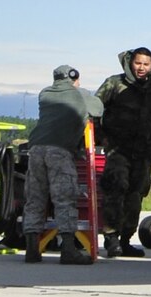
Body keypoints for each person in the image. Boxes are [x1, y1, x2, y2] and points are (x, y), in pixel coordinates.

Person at [23, 65, 101, 265]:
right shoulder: (79, 94)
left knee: (35, 198)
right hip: (59, 150)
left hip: (36, 149)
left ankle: (32, 250)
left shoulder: (45, 94)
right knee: (65, 198)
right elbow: (98, 108)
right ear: (73, 78)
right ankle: (68, 250)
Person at [95, 47, 151, 258]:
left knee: (136, 195)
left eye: (146, 64)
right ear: (130, 63)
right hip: (118, 149)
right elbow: (94, 109)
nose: (141, 68)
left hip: (143, 151)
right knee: (116, 188)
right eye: (138, 63)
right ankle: (111, 238)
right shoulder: (114, 83)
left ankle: (126, 239)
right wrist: (102, 137)